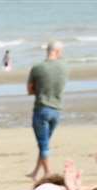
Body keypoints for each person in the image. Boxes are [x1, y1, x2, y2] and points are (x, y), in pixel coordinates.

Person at [26, 42, 67, 182]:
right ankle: (36, 171)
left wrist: (40, 90)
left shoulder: (38, 68)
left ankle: (48, 172)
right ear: (56, 51)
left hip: (42, 108)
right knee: (45, 143)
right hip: (56, 109)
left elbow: (29, 90)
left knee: (43, 144)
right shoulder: (64, 67)